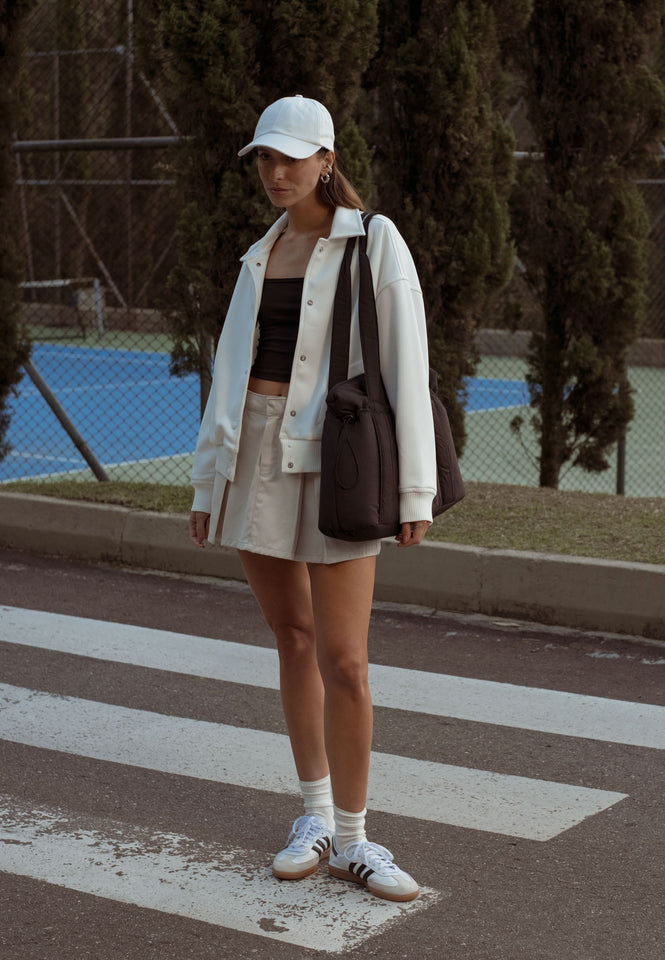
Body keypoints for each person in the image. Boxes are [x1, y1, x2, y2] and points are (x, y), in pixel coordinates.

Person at [189, 95, 436, 903]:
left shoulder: (374, 240)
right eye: (264, 157)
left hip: (335, 460)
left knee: (348, 661)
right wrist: (208, 479)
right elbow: (229, 381)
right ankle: (315, 816)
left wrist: (415, 489)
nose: (276, 171)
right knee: (291, 639)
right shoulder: (257, 256)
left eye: (292, 156)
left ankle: (359, 841)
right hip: (254, 456)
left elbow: (407, 367)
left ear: (328, 159)